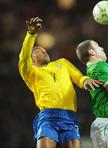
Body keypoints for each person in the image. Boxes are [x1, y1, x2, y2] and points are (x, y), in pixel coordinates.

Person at [18, 17, 102, 148]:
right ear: (32, 60)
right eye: (37, 51)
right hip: (48, 117)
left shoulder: (62, 63)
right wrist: (31, 34)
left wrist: (86, 81)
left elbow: (79, 77)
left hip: (69, 117)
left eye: (44, 50)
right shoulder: (31, 72)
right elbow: (23, 57)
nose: (43, 50)